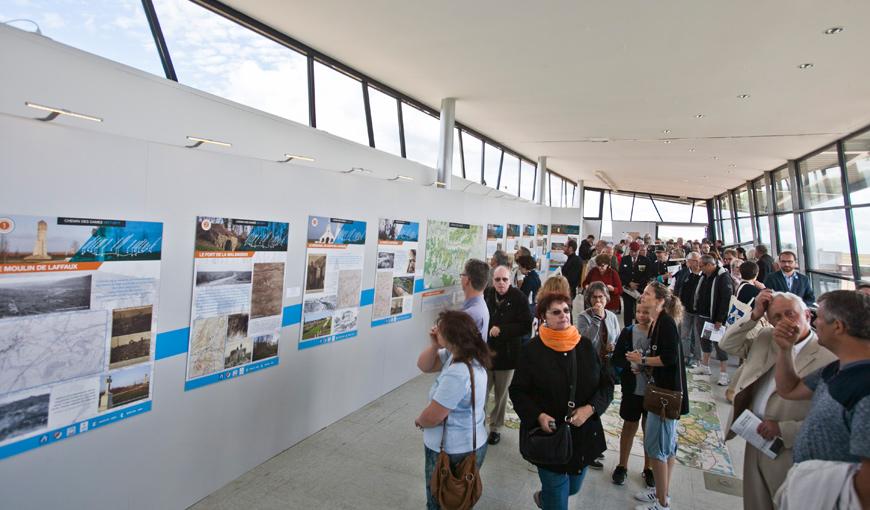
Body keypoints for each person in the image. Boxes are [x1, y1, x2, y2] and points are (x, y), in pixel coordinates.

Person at [718, 290, 836, 510]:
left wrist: (784, 430)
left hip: (790, 448)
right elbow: (727, 345)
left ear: (808, 316)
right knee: (756, 500)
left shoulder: (827, 357)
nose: (784, 322)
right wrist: (754, 316)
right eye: (777, 317)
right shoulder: (765, 338)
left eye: (791, 314)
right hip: (754, 434)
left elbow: (831, 419)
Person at [509, 292, 614, 510]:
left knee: (573, 488)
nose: (563, 315)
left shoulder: (585, 347)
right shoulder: (531, 350)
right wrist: (538, 415)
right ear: (544, 317)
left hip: (583, 435)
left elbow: (606, 385)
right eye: (556, 312)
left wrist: (591, 409)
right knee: (558, 497)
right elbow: (518, 391)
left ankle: (546, 498)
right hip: (549, 438)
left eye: (566, 310)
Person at [773, 290, 870, 508]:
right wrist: (785, 350)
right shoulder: (837, 368)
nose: (815, 323)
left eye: (820, 318)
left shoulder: (865, 389)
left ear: (838, 326)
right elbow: (789, 389)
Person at [416, 310, 492, 510]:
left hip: (453, 450)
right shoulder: (460, 355)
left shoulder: (459, 372)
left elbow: (434, 416)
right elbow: (424, 365)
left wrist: (419, 421)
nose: (435, 330)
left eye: (439, 330)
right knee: (458, 500)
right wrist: (434, 345)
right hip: (467, 443)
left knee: (440, 501)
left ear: (451, 337)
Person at [626, 282, 689, 510]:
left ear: (660, 300)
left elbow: (669, 358)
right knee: (667, 446)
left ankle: (662, 504)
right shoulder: (657, 323)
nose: (642, 297)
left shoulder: (666, 323)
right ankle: (662, 492)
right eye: (643, 293)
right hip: (661, 389)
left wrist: (641, 361)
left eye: (648, 294)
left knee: (658, 449)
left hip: (665, 394)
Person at [483, 266, 533, 446]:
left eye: (504, 279)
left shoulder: (519, 298)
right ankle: (478, 425)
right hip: (486, 353)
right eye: (497, 280)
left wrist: (502, 330)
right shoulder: (487, 294)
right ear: (492, 280)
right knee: (482, 391)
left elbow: (526, 326)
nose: (501, 283)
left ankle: (496, 428)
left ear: (510, 280)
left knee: (501, 395)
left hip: (508, 354)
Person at [611, 301, 656, 488]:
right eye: (639, 311)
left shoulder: (659, 334)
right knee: (629, 425)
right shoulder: (628, 331)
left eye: (646, 312)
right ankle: (622, 464)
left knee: (649, 429)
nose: (642, 315)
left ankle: (649, 467)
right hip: (632, 388)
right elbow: (617, 357)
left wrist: (647, 364)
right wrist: (629, 363)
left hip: (652, 390)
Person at [691, 254, 733, 386]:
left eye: (701, 266)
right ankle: (705, 366)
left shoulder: (723, 277)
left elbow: (725, 300)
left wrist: (720, 319)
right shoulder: (704, 276)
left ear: (710, 265)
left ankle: (723, 373)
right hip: (702, 314)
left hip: (715, 318)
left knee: (719, 345)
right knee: (704, 342)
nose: (700, 268)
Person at [674, 252, 703, 367]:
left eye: (697, 261)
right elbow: (676, 288)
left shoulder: (704, 274)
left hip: (699, 311)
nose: (696, 263)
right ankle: (685, 356)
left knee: (697, 336)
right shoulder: (683, 273)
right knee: (684, 334)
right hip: (685, 309)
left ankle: (697, 358)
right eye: (693, 261)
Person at [619, 241, 653, 325]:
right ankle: (628, 328)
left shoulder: (645, 260)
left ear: (639, 250)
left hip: (640, 290)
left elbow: (647, 275)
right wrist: (629, 283)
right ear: (629, 250)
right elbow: (621, 274)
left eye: (635, 251)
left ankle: (639, 326)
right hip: (627, 290)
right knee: (628, 310)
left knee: (639, 309)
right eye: (632, 251)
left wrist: (637, 284)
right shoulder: (624, 259)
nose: (633, 253)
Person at [461, 258, 491, 341]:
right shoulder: (480, 306)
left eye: (462, 274)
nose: (461, 277)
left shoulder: (469, 314)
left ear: (467, 280)